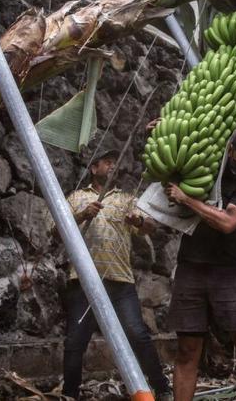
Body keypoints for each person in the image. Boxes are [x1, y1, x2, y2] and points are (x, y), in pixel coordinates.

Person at [162, 128, 236, 401]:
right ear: (230, 149)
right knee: (188, 350)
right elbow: (167, 169)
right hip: (191, 267)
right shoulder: (205, 170)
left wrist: (187, 199)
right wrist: (163, 133)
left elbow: (227, 222)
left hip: (229, 272)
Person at [62, 149, 171, 400]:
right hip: (83, 281)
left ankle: (162, 388)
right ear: (94, 168)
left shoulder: (126, 199)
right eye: (107, 162)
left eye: (115, 163)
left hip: (120, 280)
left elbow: (151, 227)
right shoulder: (77, 197)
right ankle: (69, 394)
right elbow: (57, 232)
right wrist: (81, 215)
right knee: (74, 341)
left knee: (137, 334)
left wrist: (138, 222)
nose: (112, 166)